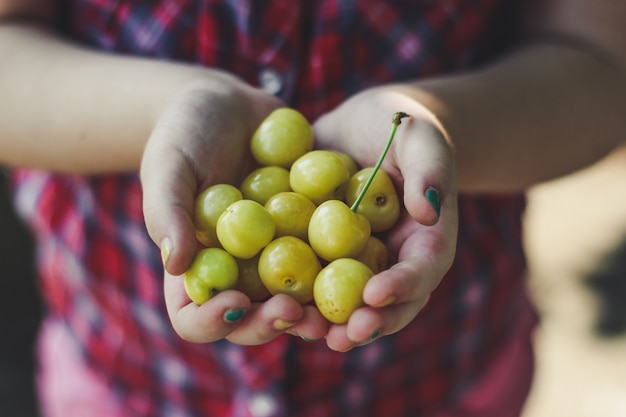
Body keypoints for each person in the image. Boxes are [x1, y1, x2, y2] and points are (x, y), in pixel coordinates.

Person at [0, 0, 624, 416]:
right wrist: (170, 107)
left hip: (437, 376)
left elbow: (601, 66)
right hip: (135, 378)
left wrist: (436, 124)